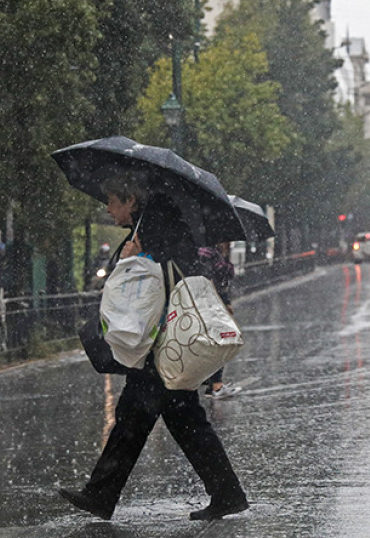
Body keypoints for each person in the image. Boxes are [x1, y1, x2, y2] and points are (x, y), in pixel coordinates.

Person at [59, 172, 248, 522]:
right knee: (177, 418)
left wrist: (136, 254)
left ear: (130, 199)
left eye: (112, 201)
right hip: (162, 344)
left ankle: (102, 494)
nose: (108, 209)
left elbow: (161, 277)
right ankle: (226, 492)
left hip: (162, 341)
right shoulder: (154, 218)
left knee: (141, 417)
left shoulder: (160, 220)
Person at [198, 242, 240, 399]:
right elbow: (214, 281)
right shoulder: (210, 254)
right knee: (219, 342)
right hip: (211, 303)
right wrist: (225, 301)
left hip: (206, 302)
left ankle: (211, 383)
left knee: (211, 342)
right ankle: (216, 385)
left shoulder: (209, 252)